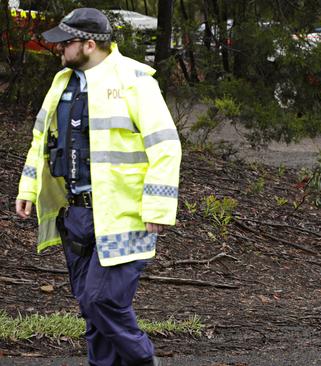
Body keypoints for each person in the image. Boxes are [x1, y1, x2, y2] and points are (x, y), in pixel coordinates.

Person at [15, 8, 181, 366]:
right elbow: (40, 141)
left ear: (89, 44)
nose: (58, 49)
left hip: (123, 216)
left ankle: (143, 359)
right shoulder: (62, 84)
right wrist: (28, 189)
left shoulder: (136, 81)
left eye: (66, 43)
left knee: (101, 300)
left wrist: (158, 207)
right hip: (75, 213)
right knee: (91, 312)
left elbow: (166, 146)